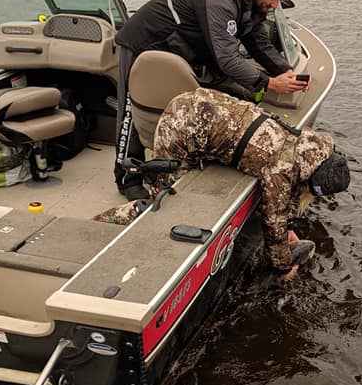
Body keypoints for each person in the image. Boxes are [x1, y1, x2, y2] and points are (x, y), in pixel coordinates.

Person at [113, 0, 309, 200]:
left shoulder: (249, 1)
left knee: (176, 108)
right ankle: (126, 177)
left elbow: (257, 41)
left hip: (176, 46)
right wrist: (268, 83)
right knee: (133, 108)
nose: (275, 4)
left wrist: (284, 70)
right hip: (143, 40)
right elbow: (227, 59)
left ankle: (162, 166)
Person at [149, 88, 350, 280]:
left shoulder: (307, 145)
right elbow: (273, 219)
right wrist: (284, 266)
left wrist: (288, 227)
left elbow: (291, 189)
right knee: (172, 197)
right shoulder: (281, 168)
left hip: (201, 103)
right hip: (179, 124)